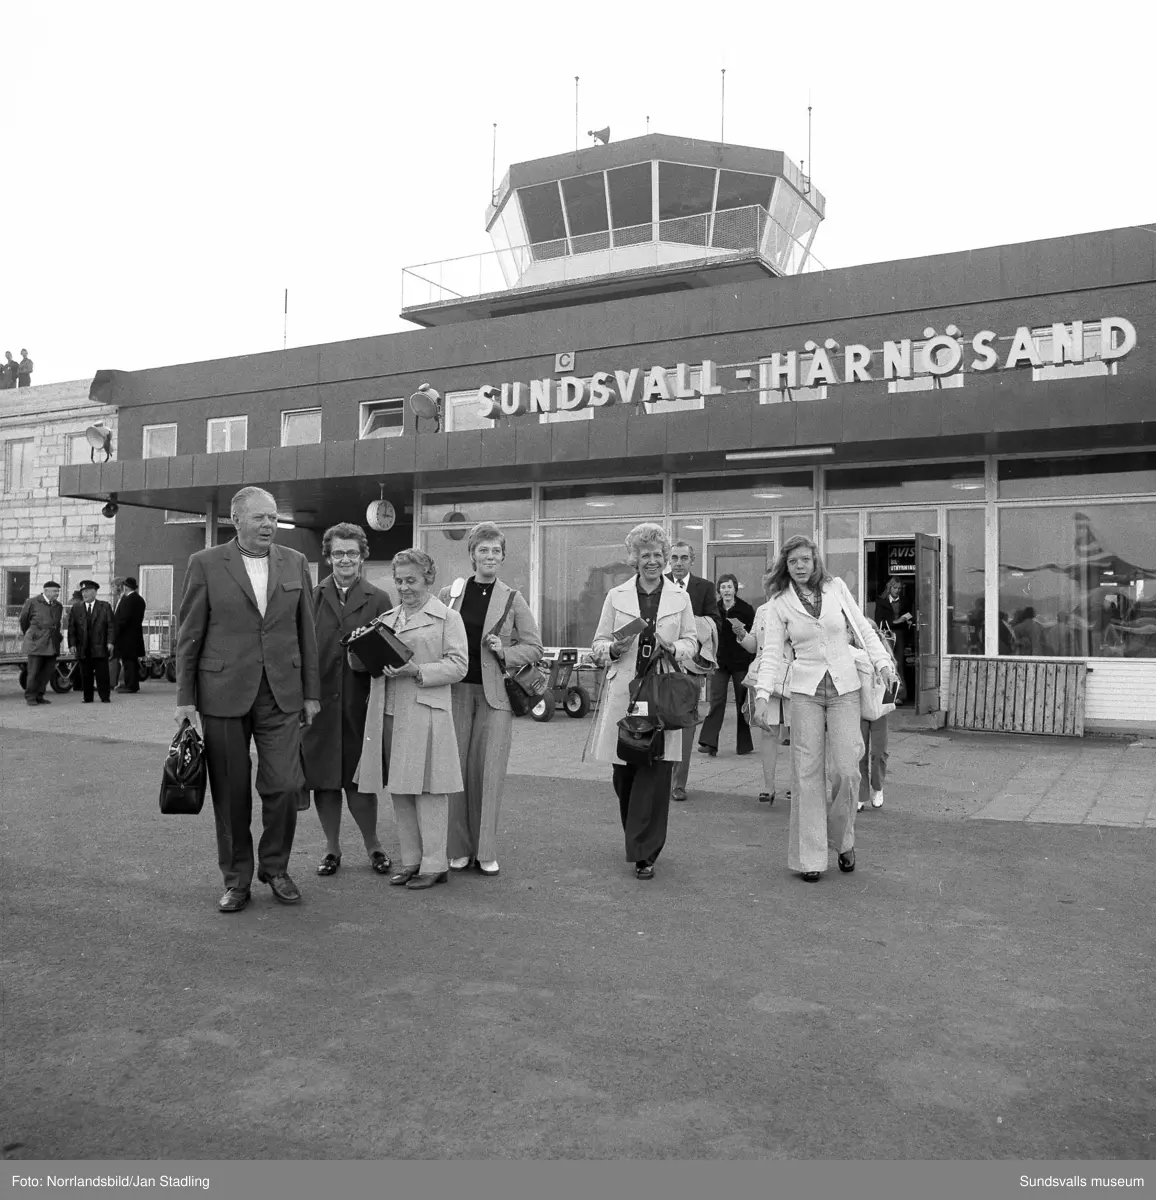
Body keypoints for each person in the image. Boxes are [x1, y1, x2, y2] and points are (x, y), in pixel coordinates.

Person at [174, 486, 321, 914]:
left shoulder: (293, 562)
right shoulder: (204, 564)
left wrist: (311, 692)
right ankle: (237, 879)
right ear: (236, 520)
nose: (269, 524)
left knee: (286, 784)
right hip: (222, 694)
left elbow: (306, 632)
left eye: (274, 517)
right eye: (260, 517)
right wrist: (185, 698)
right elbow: (189, 635)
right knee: (231, 792)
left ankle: (275, 867)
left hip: (282, 694)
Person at [754, 535, 897, 883]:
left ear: (816, 561)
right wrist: (761, 695)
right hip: (805, 692)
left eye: (805, 560)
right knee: (806, 774)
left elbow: (862, 627)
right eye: (793, 562)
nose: (800, 567)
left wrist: (883, 664)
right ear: (784, 567)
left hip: (845, 688)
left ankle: (843, 839)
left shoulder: (836, 588)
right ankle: (810, 858)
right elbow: (771, 652)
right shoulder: (779, 603)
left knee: (848, 770)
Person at [584, 523, 697, 880]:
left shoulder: (680, 598)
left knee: (657, 773)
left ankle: (645, 852)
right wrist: (611, 649)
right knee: (625, 774)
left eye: (658, 556)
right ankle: (636, 836)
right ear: (634, 559)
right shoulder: (616, 596)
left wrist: (674, 647)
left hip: (662, 695)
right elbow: (598, 642)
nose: (652, 561)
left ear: (666, 560)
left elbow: (693, 642)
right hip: (625, 695)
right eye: (645, 555)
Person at [354, 548, 468, 891]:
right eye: (399, 580)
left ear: (428, 579)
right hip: (389, 712)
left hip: (426, 712)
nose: (404, 587)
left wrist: (417, 669)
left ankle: (436, 864)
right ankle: (411, 861)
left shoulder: (448, 618)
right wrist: (360, 649)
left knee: (430, 790)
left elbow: (459, 666)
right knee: (401, 790)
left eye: (411, 580)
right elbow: (366, 665)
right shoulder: (386, 619)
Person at [439, 521, 543, 877]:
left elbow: (534, 647)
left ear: (503, 556)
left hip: (494, 696)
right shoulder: (449, 595)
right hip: (454, 692)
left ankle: (485, 851)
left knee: (489, 773)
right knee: (454, 773)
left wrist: (506, 651)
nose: (490, 556)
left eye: (496, 550)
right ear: (471, 555)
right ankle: (457, 848)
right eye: (483, 550)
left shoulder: (513, 598)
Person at [302, 523, 394, 879]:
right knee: (325, 780)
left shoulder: (380, 599)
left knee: (361, 778)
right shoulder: (310, 597)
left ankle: (374, 845)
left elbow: (387, 654)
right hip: (320, 704)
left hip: (361, 702)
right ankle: (331, 849)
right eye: (338, 553)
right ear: (327, 557)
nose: (345, 559)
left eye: (352, 553)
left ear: (362, 557)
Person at [664, 541, 720, 802]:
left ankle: (678, 783)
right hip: (659, 666)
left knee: (686, 726)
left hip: (690, 667)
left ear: (692, 560)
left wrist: (689, 627)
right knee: (660, 723)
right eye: (674, 557)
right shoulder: (657, 583)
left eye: (683, 557)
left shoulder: (704, 588)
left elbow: (714, 622)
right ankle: (658, 778)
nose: (678, 562)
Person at [737, 569, 792, 805]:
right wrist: (741, 635)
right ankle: (768, 786)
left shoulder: (795, 608)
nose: (768, 587)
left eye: (772, 582)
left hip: (791, 676)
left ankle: (796, 785)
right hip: (766, 678)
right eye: (765, 583)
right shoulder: (762, 610)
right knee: (768, 732)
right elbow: (754, 646)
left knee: (797, 733)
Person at [698, 573, 756, 758]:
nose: (726, 591)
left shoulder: (746, 609)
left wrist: (743, 634)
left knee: (741, 703)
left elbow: (753, 636)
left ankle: (744, 744)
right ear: (719, 591)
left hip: (741, 663)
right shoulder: (714, 610)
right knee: (716, 701)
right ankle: (709, 742)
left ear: (735, 589)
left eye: (729, 587)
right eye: (723, 587)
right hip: (719, 663)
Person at [856, 618, 896, 813]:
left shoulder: (884, 654)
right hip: (859, 707)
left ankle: (878, 787)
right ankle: (861, 794)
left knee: (879, 752)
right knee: (860, 753)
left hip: (879, 708)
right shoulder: (852, 652)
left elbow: (895, 680)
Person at [67, 580, 114, 703]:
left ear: (95, 592)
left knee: (102, 674)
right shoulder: (76, 608)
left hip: (100, 645)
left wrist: (110, 642)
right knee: (85, 673)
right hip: (83, 646)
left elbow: (111, 626)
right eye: (83, 591)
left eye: (87, 591)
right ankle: (87, 697)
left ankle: (105, 696)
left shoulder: (104, 606)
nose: (84, 594)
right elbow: (72, 628)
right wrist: (71, 644)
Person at [19, 580, 63, 705]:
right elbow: (24, 620)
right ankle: (30, 697)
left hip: (52, 644)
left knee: (47, 671)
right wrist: (32, 634)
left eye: (58, 591)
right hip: (36, 643)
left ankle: (39, 695)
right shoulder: (32, 602)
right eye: (54, 591)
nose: (57, 594)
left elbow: (57, 624)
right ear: (46, 591)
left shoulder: (58, 606)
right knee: (34, 672)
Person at [874, 576, 912, 700]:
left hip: (900, 635)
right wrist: (896, 621)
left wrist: (908, 621)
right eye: (895, 588)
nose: (897, 591)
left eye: (899, 589)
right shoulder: (881, 601)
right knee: (888, 663)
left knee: (898, 663)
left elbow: (911, 616)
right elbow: (878, 621)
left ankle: (900, 695)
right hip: (887, 635)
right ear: (890, 588)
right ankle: (889, 696)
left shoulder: (905, 601)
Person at [112, 576, 146, 693]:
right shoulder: (140, 599)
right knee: (131, 660)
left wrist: (115, 631)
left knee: (128, 661)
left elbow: (123, 619)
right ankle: (130, 683)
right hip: (135, 634)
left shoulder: (128, 600)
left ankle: (131, 685)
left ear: (126, 587)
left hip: (126, 636)